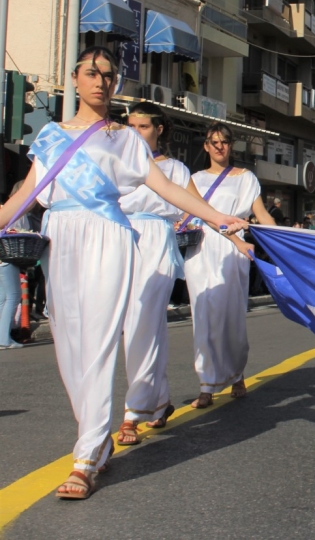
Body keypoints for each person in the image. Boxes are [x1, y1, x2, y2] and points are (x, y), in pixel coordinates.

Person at [0, 47, 246, 500]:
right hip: (61, 239)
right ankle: (94, 436)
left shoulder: (126, 140)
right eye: (92, 73)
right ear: (74, 78)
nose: (101, 82)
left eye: (110, 76)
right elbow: (24, 199)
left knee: (96, 341)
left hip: (109, 237)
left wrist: (218, 218)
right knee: (70, 346)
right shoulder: (52, 137)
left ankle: (88, 454)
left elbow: (168, 188)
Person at [115, 102, 194, 445]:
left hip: (156, 244)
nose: (135, 132)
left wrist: (237, 236)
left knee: (143, 324)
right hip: (119, 240)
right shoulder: (116, 164)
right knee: (133, 327)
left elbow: (198, 207)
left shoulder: (175, 169)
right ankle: (158, 401)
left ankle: (133, 413)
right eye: (130, 126)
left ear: (159, 129)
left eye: (143, 126)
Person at [183, 122, 276, 409]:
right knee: (203, 315)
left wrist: (281, 242)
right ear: (206, 146)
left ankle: (236, 373)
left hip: (235, 249)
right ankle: (207, 383)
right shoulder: (194, 179)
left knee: (232, 316)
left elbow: (262, 216)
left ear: (231, 144)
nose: (219, 146)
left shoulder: (246, 178)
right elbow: (184, 211)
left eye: (224, 141)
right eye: (213, 142)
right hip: (201, 248)